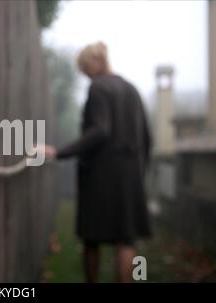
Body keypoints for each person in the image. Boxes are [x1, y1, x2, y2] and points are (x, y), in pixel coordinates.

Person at [41, 41, 152, 283]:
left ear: (96, 62)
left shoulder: (98, 88)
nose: (83, 72)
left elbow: (100, 130)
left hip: (101, 175)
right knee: (127, 239)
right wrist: (139, 173)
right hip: (129, 174)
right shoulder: (132, 89)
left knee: (91, 238)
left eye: (84, 66)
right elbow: (147, 137)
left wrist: (59, 152)